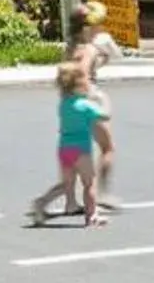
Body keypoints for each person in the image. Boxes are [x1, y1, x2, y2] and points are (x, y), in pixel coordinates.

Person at [32, 59, 111, 225]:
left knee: (65, 184)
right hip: (81, 149)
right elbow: (105, 115)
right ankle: (91, 216)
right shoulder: (85, 105)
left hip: (65, 148)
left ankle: (41, 202)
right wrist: (102, 99)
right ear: (78, 84)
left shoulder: (64, 104)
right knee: (89, 183)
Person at [67, 0, 121, 210]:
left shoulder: (71, 46)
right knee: (107, 148)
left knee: (73, 153)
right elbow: (82, 72)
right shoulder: (89, 48)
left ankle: (70, 202)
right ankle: (101, 194)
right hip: (86, 101)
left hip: (69, 103)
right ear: (89, 26)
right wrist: (93, 97)